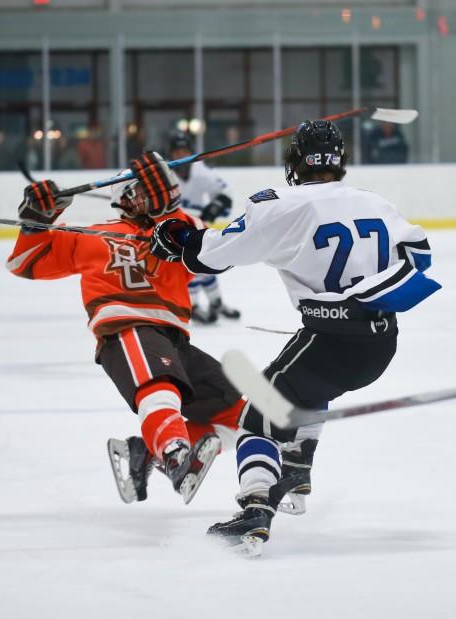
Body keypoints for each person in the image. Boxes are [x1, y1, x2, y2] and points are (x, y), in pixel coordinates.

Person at [147, 120, 441, 555]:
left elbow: (214, 255)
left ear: (295, 161)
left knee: (255, 417)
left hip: (330, 341)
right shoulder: (377, 203)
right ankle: (299, 465)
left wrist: (181, 238)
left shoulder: (280, 204)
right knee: (307, 384)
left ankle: (255, 508)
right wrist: (361, 294)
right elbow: (419, 255)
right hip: (381, 343)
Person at [5, 151, 246, 505]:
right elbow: (26, 263)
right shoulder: (94, 234)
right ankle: (175, 454)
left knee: (237, 416)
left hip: (174, 339)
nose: (158, 195)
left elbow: (216, 255)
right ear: (128, 198)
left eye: (160, 189)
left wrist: (170, 213)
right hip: (128, 327)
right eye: (147, 191)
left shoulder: (179, 230)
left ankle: (146, 453)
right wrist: (36, 222)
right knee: (160, 388)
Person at [167, 131, 241, 324]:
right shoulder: (166, 176)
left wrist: (213, 209)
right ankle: (193, 305)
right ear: (171, 154)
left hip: (197, 225)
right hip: (174, 228)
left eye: (184, 151)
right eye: (177, 152)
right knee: (189, 265)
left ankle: (215, 302)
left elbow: (225, 192)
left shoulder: (202, 172)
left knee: (205, 262)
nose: (181, 156)